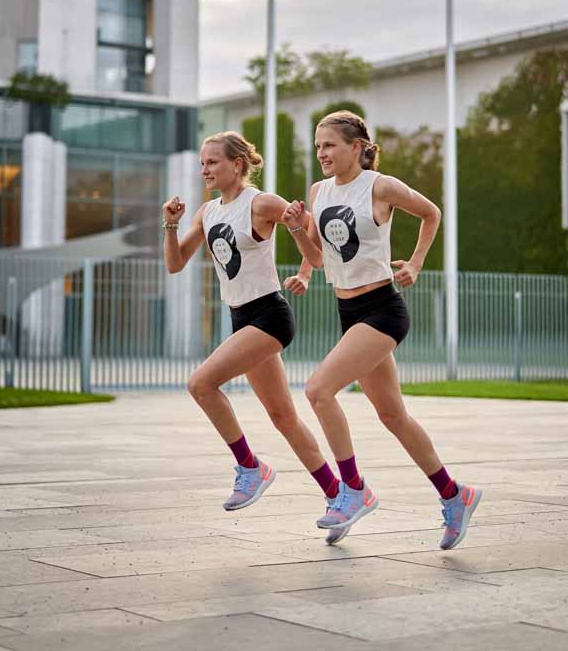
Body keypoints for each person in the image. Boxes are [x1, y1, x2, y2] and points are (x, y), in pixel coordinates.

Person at [282, 110, 482, 550]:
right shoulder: (318, 192)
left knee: (318, 390)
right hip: (348, 311)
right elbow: (317, 258)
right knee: (393, 416)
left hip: (382, 311)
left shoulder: (380, 186)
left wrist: (415, 262)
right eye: (318, 146)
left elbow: (431, 213)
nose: (322, 154)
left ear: (356, 147)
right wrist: (298, 229)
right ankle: (455, 495)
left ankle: (352, 490)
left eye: (330, 145)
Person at [163, 130, 342, 512]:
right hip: (240, 318)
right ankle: (338, 494)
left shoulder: (260, 204)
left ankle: (250, 467)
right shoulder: (208, 212)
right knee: (283, 416)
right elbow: (175, 264)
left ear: (237, 164)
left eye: (212, 162)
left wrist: (307, 273)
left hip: (268, 315)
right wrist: (170, 225)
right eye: (201, 164)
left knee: (201, 384)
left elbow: (314, 230)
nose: (204, 170)